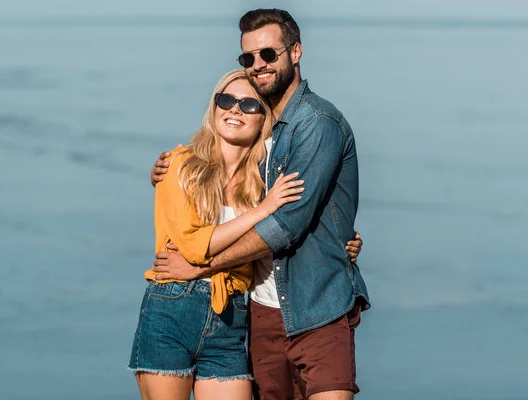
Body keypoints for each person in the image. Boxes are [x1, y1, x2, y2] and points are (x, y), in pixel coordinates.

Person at [150, 9, 370, 400]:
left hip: (316, 307)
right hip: (257, 314)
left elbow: (287, 224)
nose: (258, 65)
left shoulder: (317, 123)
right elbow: (213, 186)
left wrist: (201, 266)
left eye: (268, 54)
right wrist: (168, 171)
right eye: (247, 58)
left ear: (296, 52)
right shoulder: (258, 138)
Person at [129, 69, 314, 400]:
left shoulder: (265, 182)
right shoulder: (179, 165)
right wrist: (264, 210)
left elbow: (284, 234)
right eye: (226, 100)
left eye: (249, 104)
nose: (235, 110)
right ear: (214, 109)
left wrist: (344, 245)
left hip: (230, 319)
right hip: (171, 310)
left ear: (264, 119)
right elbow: (192, 246)